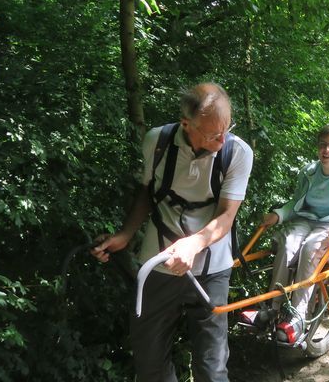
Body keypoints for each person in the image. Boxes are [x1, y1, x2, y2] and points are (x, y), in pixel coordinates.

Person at [91, 83, 253, 382]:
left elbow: (226, 215)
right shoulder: (158, 142)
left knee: (211, 366)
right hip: (157, 263)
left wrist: (193, 244)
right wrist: (126, 234)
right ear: (186, 123)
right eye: (212, 134)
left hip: (212, 267)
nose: (221, 139)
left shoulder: (237, 153)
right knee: (149, 359)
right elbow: (146, 192)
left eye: (226, 130)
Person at [258, 123, 329, 341]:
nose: (327, 150)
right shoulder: (308, 171)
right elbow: (295, 203)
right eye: (323, 145)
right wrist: (278, 214)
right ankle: (273, 305)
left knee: (310, 249)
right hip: (305, 221)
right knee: (287, 245)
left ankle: (298, 315)